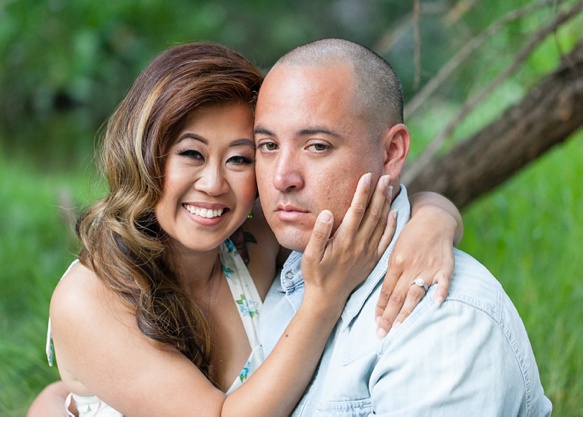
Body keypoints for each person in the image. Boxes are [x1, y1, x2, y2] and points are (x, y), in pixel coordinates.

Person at [28, 42, 464, 417]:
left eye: (240, 158)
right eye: (191, 154)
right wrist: (323, 299)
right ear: (145, 154)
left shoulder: (252, 244)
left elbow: (372, 204)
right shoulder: (91, 298)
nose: (215, 184)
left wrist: (434, 220)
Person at [255, 38, 552, 416]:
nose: (283, 177)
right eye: (267, 145)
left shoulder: (442, 321)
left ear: (392, 152)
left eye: (316, 146)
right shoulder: (276, 275)